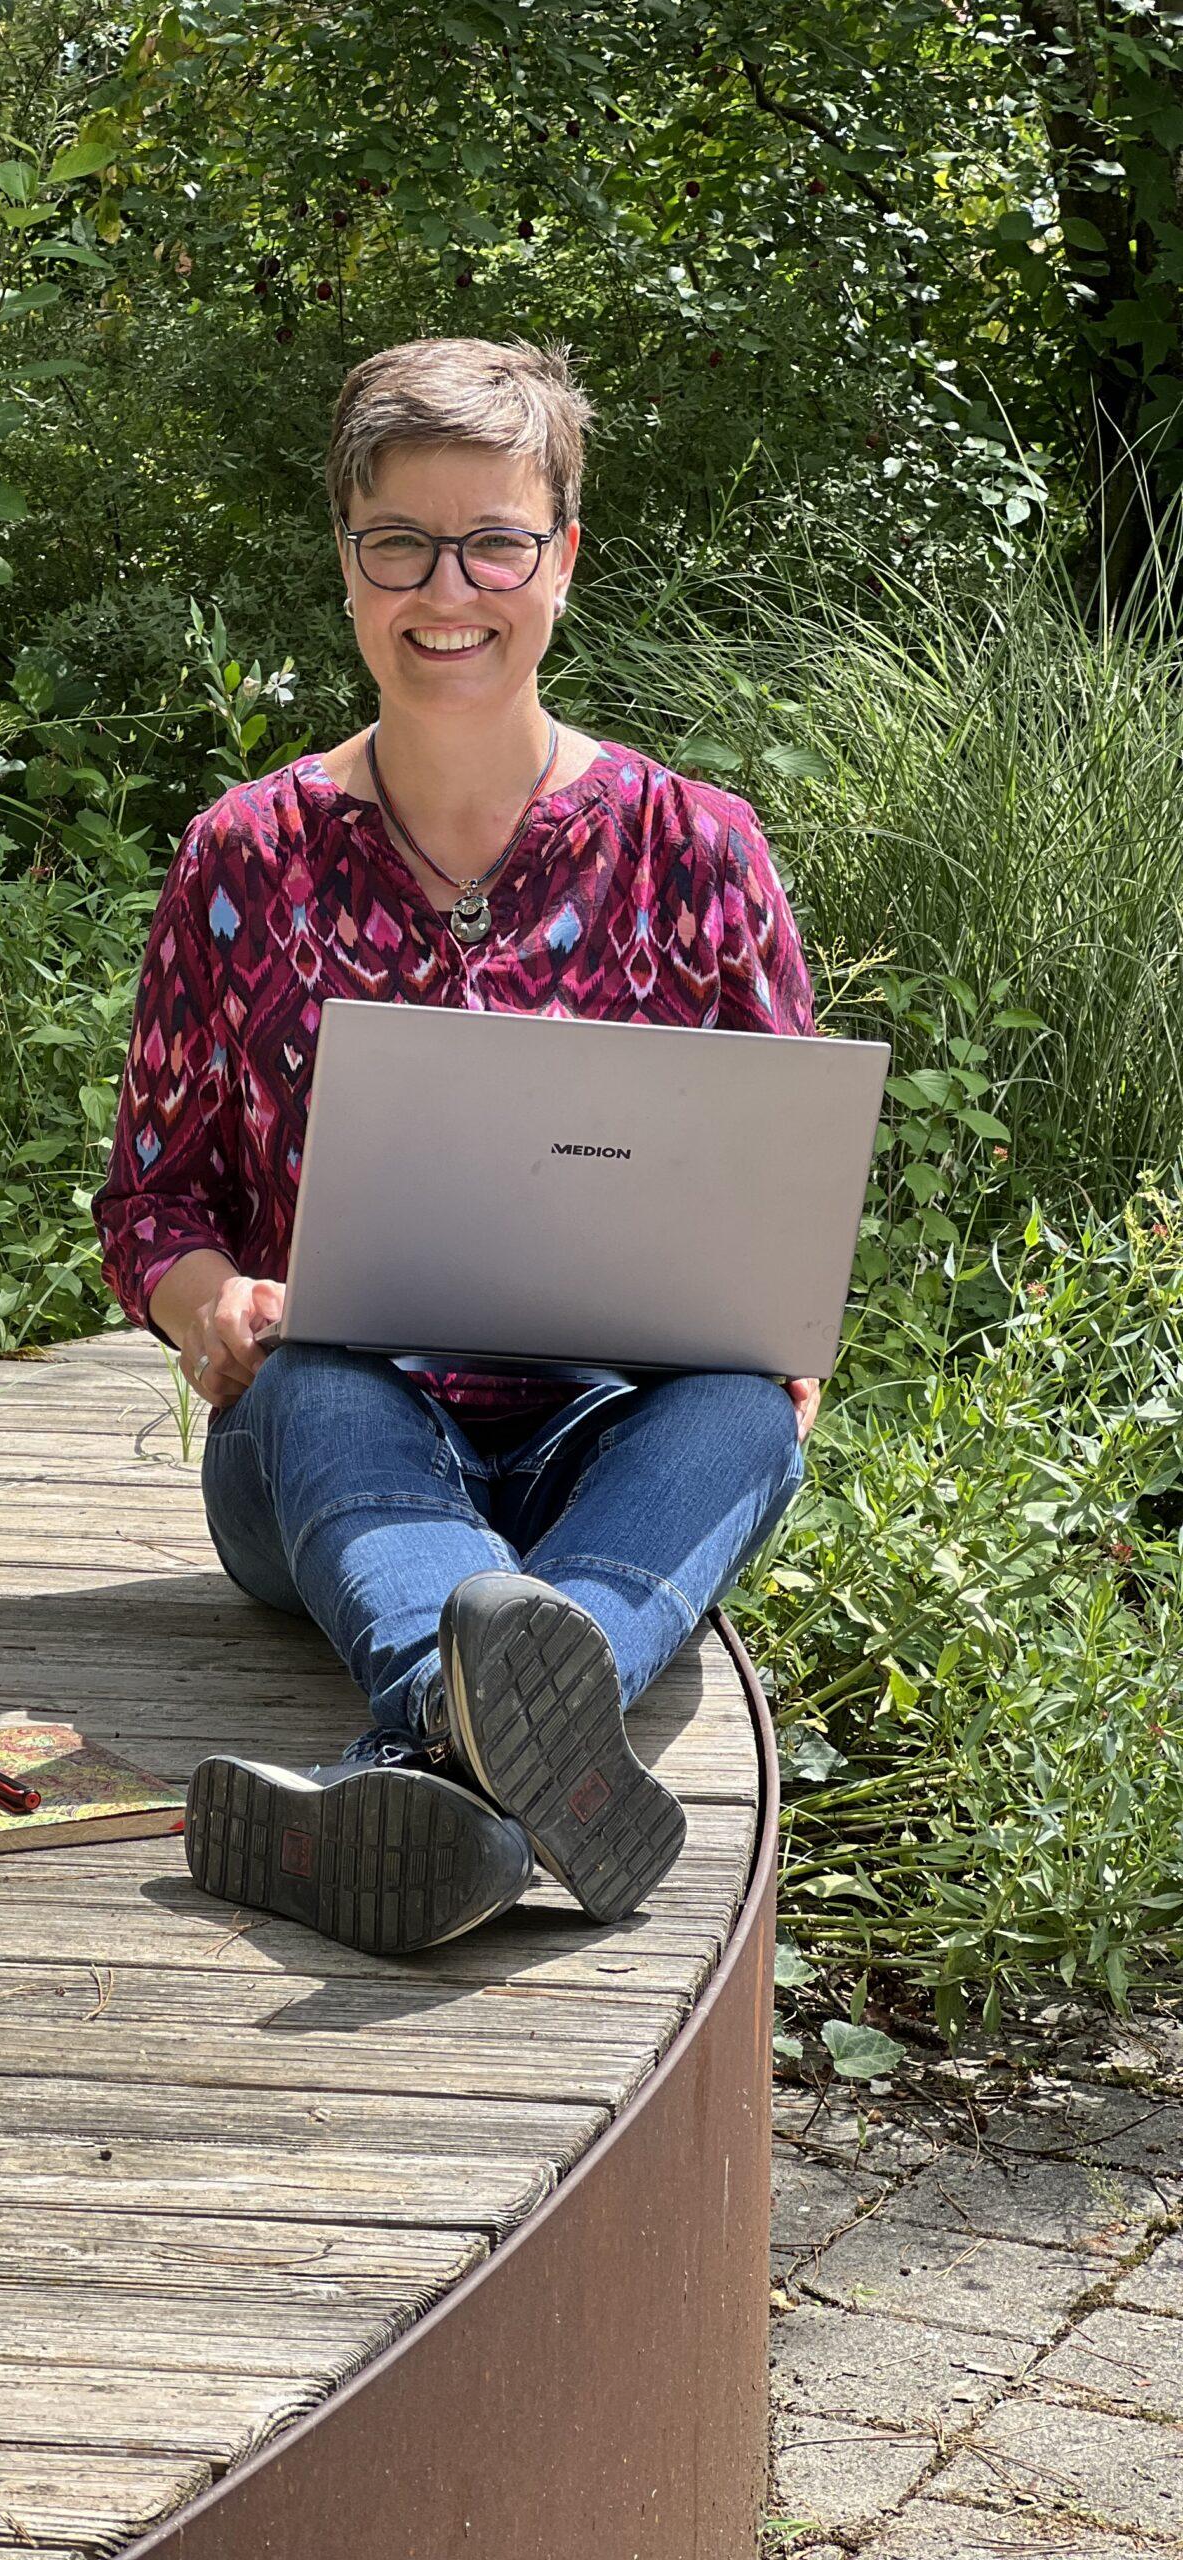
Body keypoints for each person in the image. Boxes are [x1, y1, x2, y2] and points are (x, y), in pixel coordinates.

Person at [90, 335, 816, 1959]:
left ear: (561, 555)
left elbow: (786, 1203)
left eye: (494, 540)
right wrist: (205, 1299)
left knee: (746, 1414)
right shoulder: (241, 857)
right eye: (398, 546)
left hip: (613, 1438)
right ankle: (504, 1729)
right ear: (346, 566)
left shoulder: (693, 848)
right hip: (334, 1443)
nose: (447, 589)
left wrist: (776, 1346)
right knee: (322, 1377)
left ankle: (412, 1783)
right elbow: (150, 1196)